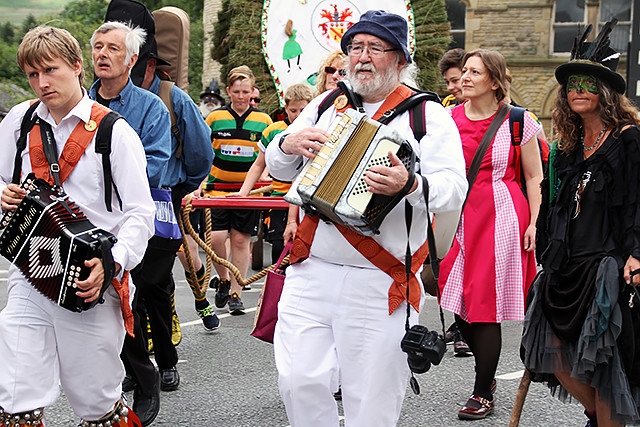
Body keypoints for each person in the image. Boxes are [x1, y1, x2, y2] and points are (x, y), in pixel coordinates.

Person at [264, 10, 467, 427]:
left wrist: (409, 182)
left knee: (371, 399)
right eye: (355, 47)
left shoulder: (426, 116)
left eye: (375, 48)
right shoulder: (325, 103)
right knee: (297, 379)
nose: (362, 57)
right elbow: (278, 167)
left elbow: (453, 189)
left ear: (399, 59)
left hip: (380, 279)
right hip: (312, 269)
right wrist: (287, 143)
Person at [0, 25, 155, 427]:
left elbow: (140, 213)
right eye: (32, 75)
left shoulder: (114, 132)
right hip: (28, 274)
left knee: (96, 404)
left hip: (89, 281)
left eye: (50, 70)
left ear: (76, 65)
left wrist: (114, 261)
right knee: (15, 396)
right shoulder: (19, 122)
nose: (42, 83)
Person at [521, 20, 640, 427]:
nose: (577, 91)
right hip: (565, 266)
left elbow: (638, 202)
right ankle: (598, 416)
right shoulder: (567, 149)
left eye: (588, 84)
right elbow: (554, 205)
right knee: (552, 353)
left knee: (608, 369)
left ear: (605, 92)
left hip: (607, 265)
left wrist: (636, 255)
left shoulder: (628, 139)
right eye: (572, 85)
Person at [437, 48, 543, 420]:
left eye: (474, 73)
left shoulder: (519, 121)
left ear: (494, 82)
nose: (464, 77)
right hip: (457, 216)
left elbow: (533, 175)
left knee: (484, 307)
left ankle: (483, 390)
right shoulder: (447, 119)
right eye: (463, 71)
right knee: (450, 294)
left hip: (501, 217)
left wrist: (534, 223)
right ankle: (488, 379)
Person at [88, 20, 172, 426]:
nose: (103, 54)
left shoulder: (150, 107)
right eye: (98, 47)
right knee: (91, 305)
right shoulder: (80, 104)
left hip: (136, 219)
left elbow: (157, 163)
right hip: (85, 224)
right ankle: (111, 383)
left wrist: (112, 180)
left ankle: (144, 377)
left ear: (132, 59)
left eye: (113, 49)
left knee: (130, 302)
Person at [204, 65, 273, 315]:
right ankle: (223, 278)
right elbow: (204, 152)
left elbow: (268, 156)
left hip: (249, 190)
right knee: (217, 238)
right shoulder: (214, 118)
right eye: (236, 92)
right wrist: (202, 182)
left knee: (241, 240)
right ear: (228, 92)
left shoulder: (263, 121)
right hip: (218, 189)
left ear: (252, 91)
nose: (242, 97)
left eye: (246, 91)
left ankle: (236, 292)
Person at [237, 83, 313, 263]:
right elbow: (258, 164)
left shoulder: (318, 127)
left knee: (305, 250)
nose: (298, 116)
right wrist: (243, 192)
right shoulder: (273, 130)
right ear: (285, 108)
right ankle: (276, 288)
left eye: (303, 110)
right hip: (281, 197)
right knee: (279, 248)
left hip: (306, 200)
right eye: (293, 110)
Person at [436, 47, 471, 357]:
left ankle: (466, 326)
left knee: (471, 266)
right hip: (450, 197)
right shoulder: (445, 110)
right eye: (448, 81)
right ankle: (460, 320)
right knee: (449, 263)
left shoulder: (506, 112)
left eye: (456, 80)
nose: (451, 88)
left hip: (481, 200)